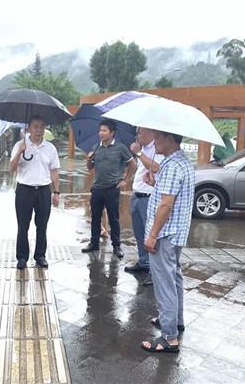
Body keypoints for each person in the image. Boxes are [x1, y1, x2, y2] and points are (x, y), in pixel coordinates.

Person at [140, 130, 194, 353]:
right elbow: (170, 197)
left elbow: (166, 205)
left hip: (165, 234)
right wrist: (155, 184)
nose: (155, 142)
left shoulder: (172, 166)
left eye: (159, 138)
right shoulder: (181, 162)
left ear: (171, 139)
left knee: (164, 284)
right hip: (177, 233)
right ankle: (174, 320)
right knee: (174, 277)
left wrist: (152, 235)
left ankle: (169, 338)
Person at [10, 115, 60, 270]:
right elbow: (11, 168)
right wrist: (19, 152)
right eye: (35, 126)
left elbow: (54, 171)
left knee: (42, 225)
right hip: (24, 190)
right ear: (29, 128)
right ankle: (22, 257)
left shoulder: (50, 148)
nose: (39, 130)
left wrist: (56, 192)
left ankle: (40, 255)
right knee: (23, 226)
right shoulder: (20, 144)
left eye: (41, 126)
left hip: (43, 191)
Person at [82, 119, 136, 258]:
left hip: (112, 189)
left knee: (114, 219)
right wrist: (89, 159)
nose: (101, 133)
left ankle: (116, 246)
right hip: (97, 188)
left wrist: (125, 180)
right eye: (100, 130)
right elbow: (90, 168)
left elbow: (133, 164)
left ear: (112, 133)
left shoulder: (121, 148)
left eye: (104, 130)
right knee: (95, 218)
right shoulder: (96, 147)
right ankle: (94, 243)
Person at [124, 128, 163, 286]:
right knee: (139, 233)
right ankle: (143, 262)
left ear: (150, 132)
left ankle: (155, 272)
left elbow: (156, 167)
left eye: (140, 132)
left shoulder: (157, 148)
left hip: (149, 197)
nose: (137, 136)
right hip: (137, 194)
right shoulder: (144, 148)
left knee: (151, 236)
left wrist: (139, 153)